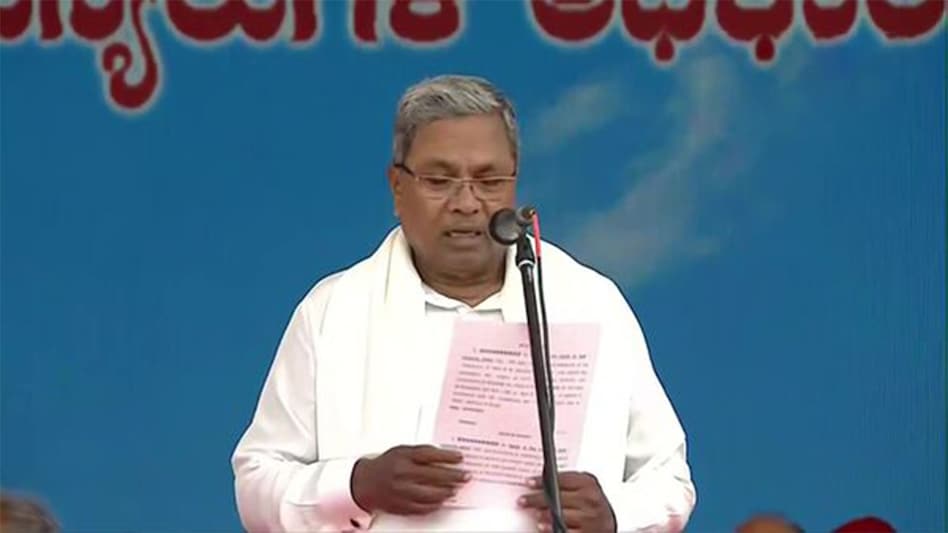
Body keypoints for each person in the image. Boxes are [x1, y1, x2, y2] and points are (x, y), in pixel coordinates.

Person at [231, 74, 695, 532]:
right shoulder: (334, 312)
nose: (467, 203)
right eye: (439, 179)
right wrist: (357, 484)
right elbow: (256, 480)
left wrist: (615, 514)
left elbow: (669, 479)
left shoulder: (590, 304)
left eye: (489, 179)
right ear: (397, 187)